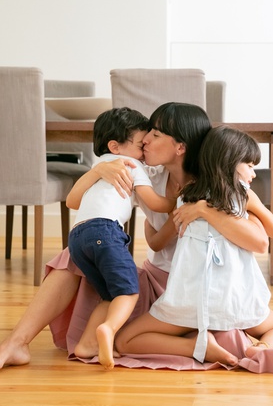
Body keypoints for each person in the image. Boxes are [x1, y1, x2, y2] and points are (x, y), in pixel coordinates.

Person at [0, 103, 273, 373]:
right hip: (155, 285)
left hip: (205, 286)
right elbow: (148, 237)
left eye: (155, 134)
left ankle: (193, 340)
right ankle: (16, 342)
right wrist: (99, 171)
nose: (146, 139)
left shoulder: (220, 183)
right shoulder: (145, 176)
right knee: (74, 253)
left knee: (262, 329)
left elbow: (261, 240)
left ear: (180, 146)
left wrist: (202, 210)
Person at [114, 126, 273, 365]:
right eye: (250, 165)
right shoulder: (243, 196)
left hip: (186, 301)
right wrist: (253, 212)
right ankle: (261, 349)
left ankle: (195, 347)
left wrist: (150, 222)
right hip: (234, 300)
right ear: (231, 162)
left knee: (125, 340)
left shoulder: (184, 197)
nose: (253, 173)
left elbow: (156, 243)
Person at [66, 107, 176, 370]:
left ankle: (86, 345)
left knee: (110, 295)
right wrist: (179, 199)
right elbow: (155, 203)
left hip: (78, 238)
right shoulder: (130, 164)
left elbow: (71, 201)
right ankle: (109, 329)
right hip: (106, 232)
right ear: (115, 146)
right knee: (128, 291)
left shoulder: (100, 165)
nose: (145, 149)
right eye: (140, 144)